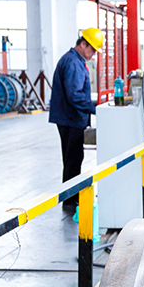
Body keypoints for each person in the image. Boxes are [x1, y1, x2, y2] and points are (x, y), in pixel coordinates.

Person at [49, 27, 103, 212]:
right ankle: (70, 200)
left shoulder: (74, 60)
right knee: (73, 160)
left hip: (70, 118)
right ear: (83, 44)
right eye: (92, 49)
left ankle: (71, 197)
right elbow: (74, 96)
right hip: (70, 119)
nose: (93, 54)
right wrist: (95, 109)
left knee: (73, 159)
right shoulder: (73, 63)